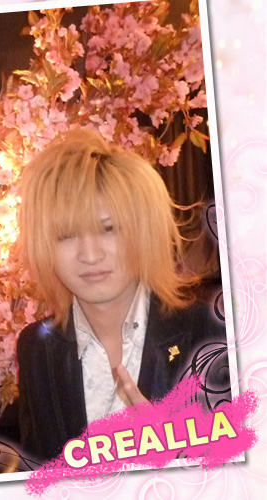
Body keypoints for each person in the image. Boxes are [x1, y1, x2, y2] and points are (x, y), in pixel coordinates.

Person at [16, 129, 226, 462]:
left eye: (109, 229)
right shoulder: (37, 349)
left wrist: (180, 455)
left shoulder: (210, 332)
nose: (90, 255)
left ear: (143, 231)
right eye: (66, 235)